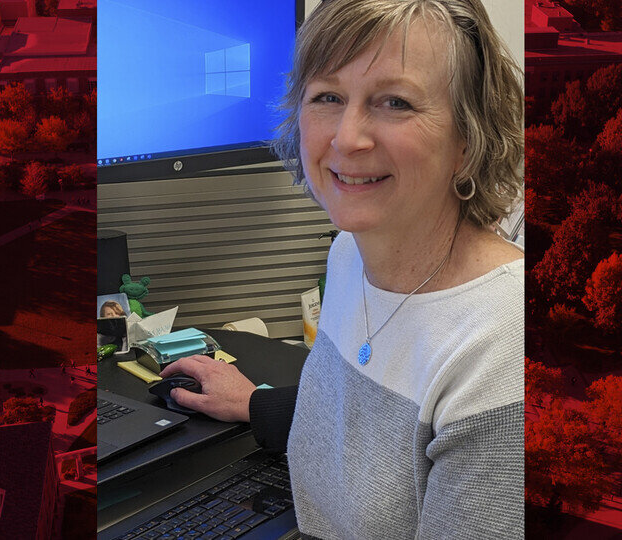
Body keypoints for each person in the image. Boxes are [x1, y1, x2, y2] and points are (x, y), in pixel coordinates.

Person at [160, 0, 523, 537]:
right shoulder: (351, 253)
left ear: (467, 141)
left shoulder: (502, 351)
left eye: (395, 102)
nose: (348, 137)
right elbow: (370, 435)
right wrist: (259, 405)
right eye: (328, 96)